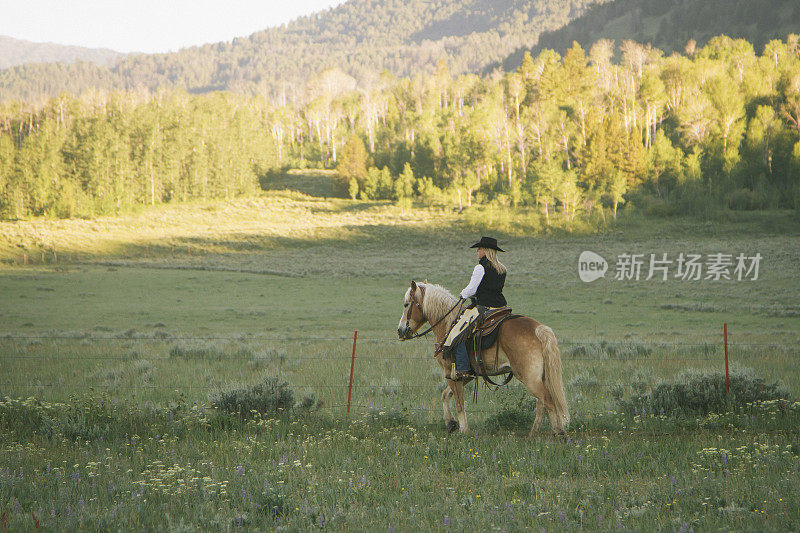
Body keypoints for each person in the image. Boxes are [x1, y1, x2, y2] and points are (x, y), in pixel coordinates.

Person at [443, 236, 508, 380]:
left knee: (457, 332)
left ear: (486, 251)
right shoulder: (502, 269)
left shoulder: (480, 267)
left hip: (484, 307)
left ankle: (462, 369)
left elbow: (472, 289)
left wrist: (462, 295)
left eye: (479, 248)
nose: (477, 251)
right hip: (501, 307)